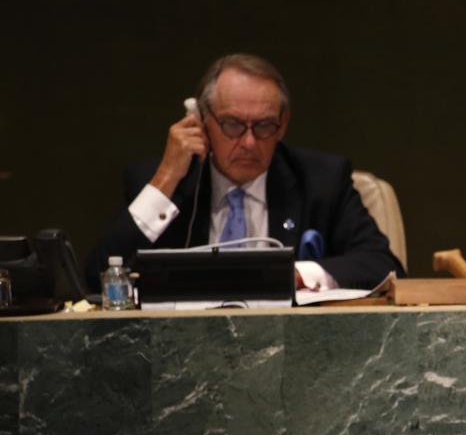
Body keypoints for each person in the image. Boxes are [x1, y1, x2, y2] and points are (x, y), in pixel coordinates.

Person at [87, 53, 403, 292]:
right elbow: (97, 277)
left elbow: (384, 267)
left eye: (264, 125)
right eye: (232, 124)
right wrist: (166, 179)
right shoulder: (166, 182)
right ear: (201, 120)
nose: (249, 142)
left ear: (283, 124)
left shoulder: (322, 180)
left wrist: (300, 274)